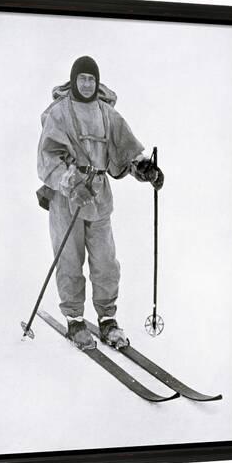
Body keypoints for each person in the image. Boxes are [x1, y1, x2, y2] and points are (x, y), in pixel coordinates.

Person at [37, 56, 163, 350]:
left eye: (91, 79)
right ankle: (75, 319)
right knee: (69, 258)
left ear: (97, 81)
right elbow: (48, 158)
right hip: (66, 198)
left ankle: (107, 319)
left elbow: (126, 148)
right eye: (81, 78)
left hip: (99, 195)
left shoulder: (107, 113)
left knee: (106, 261)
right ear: (73, 80)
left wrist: (144, 167)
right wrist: (71, 183)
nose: (86, 83)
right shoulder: (59, 113)